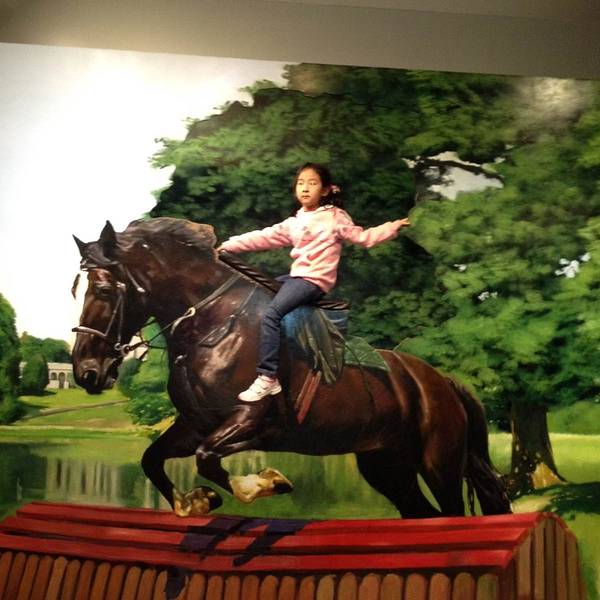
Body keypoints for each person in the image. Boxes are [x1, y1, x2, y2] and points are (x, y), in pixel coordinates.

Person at [218, 162, 411, 403]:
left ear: (326, 190)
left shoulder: (335, 218)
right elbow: (263, 237)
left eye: (312, 183)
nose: (305, 188)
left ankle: (268, 377)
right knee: (257, 295)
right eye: (301, 183)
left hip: (313, 281)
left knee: (271, 314)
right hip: (296, 278)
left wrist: (393, 226)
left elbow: (364, 237)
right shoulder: (295, 221)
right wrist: (227, 246)